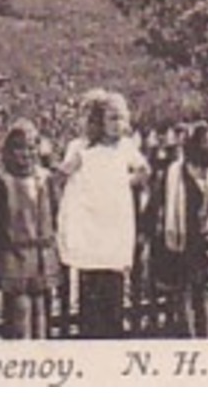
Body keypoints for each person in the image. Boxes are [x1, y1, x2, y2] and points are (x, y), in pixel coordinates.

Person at [55, 89, 149, 338]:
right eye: (111, 118)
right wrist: (73, 165)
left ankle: (112, 335)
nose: (117, 125)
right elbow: (63, 174)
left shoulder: (126, 148)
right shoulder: (81, 147)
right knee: (90, 285)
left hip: (114, 225)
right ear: (98, 120)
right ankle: (90, 335)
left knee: (113, 286)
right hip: (90, 226)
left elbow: (143, 170)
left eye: (121, 118)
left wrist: (124, 182)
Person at [142, 124, 208, 338]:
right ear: (188, 161)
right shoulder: (172, 177)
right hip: (177, 244)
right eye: (197, 167)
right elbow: (155, 206)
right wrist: (147, 232)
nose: (201, 173)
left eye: (205, 168)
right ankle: (188, 339)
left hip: (202, 246)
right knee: (181, 296)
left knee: (202, 296)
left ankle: (206, 339)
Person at [0, 118, 60, 339]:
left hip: (42, 255)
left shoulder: (44, 179)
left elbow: (55, 211)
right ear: (9, 150)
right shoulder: (3, 181)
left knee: (41, 311)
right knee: (20, 310)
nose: (26, 153)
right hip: (14, 255)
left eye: (31, 147)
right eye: (19, 148)